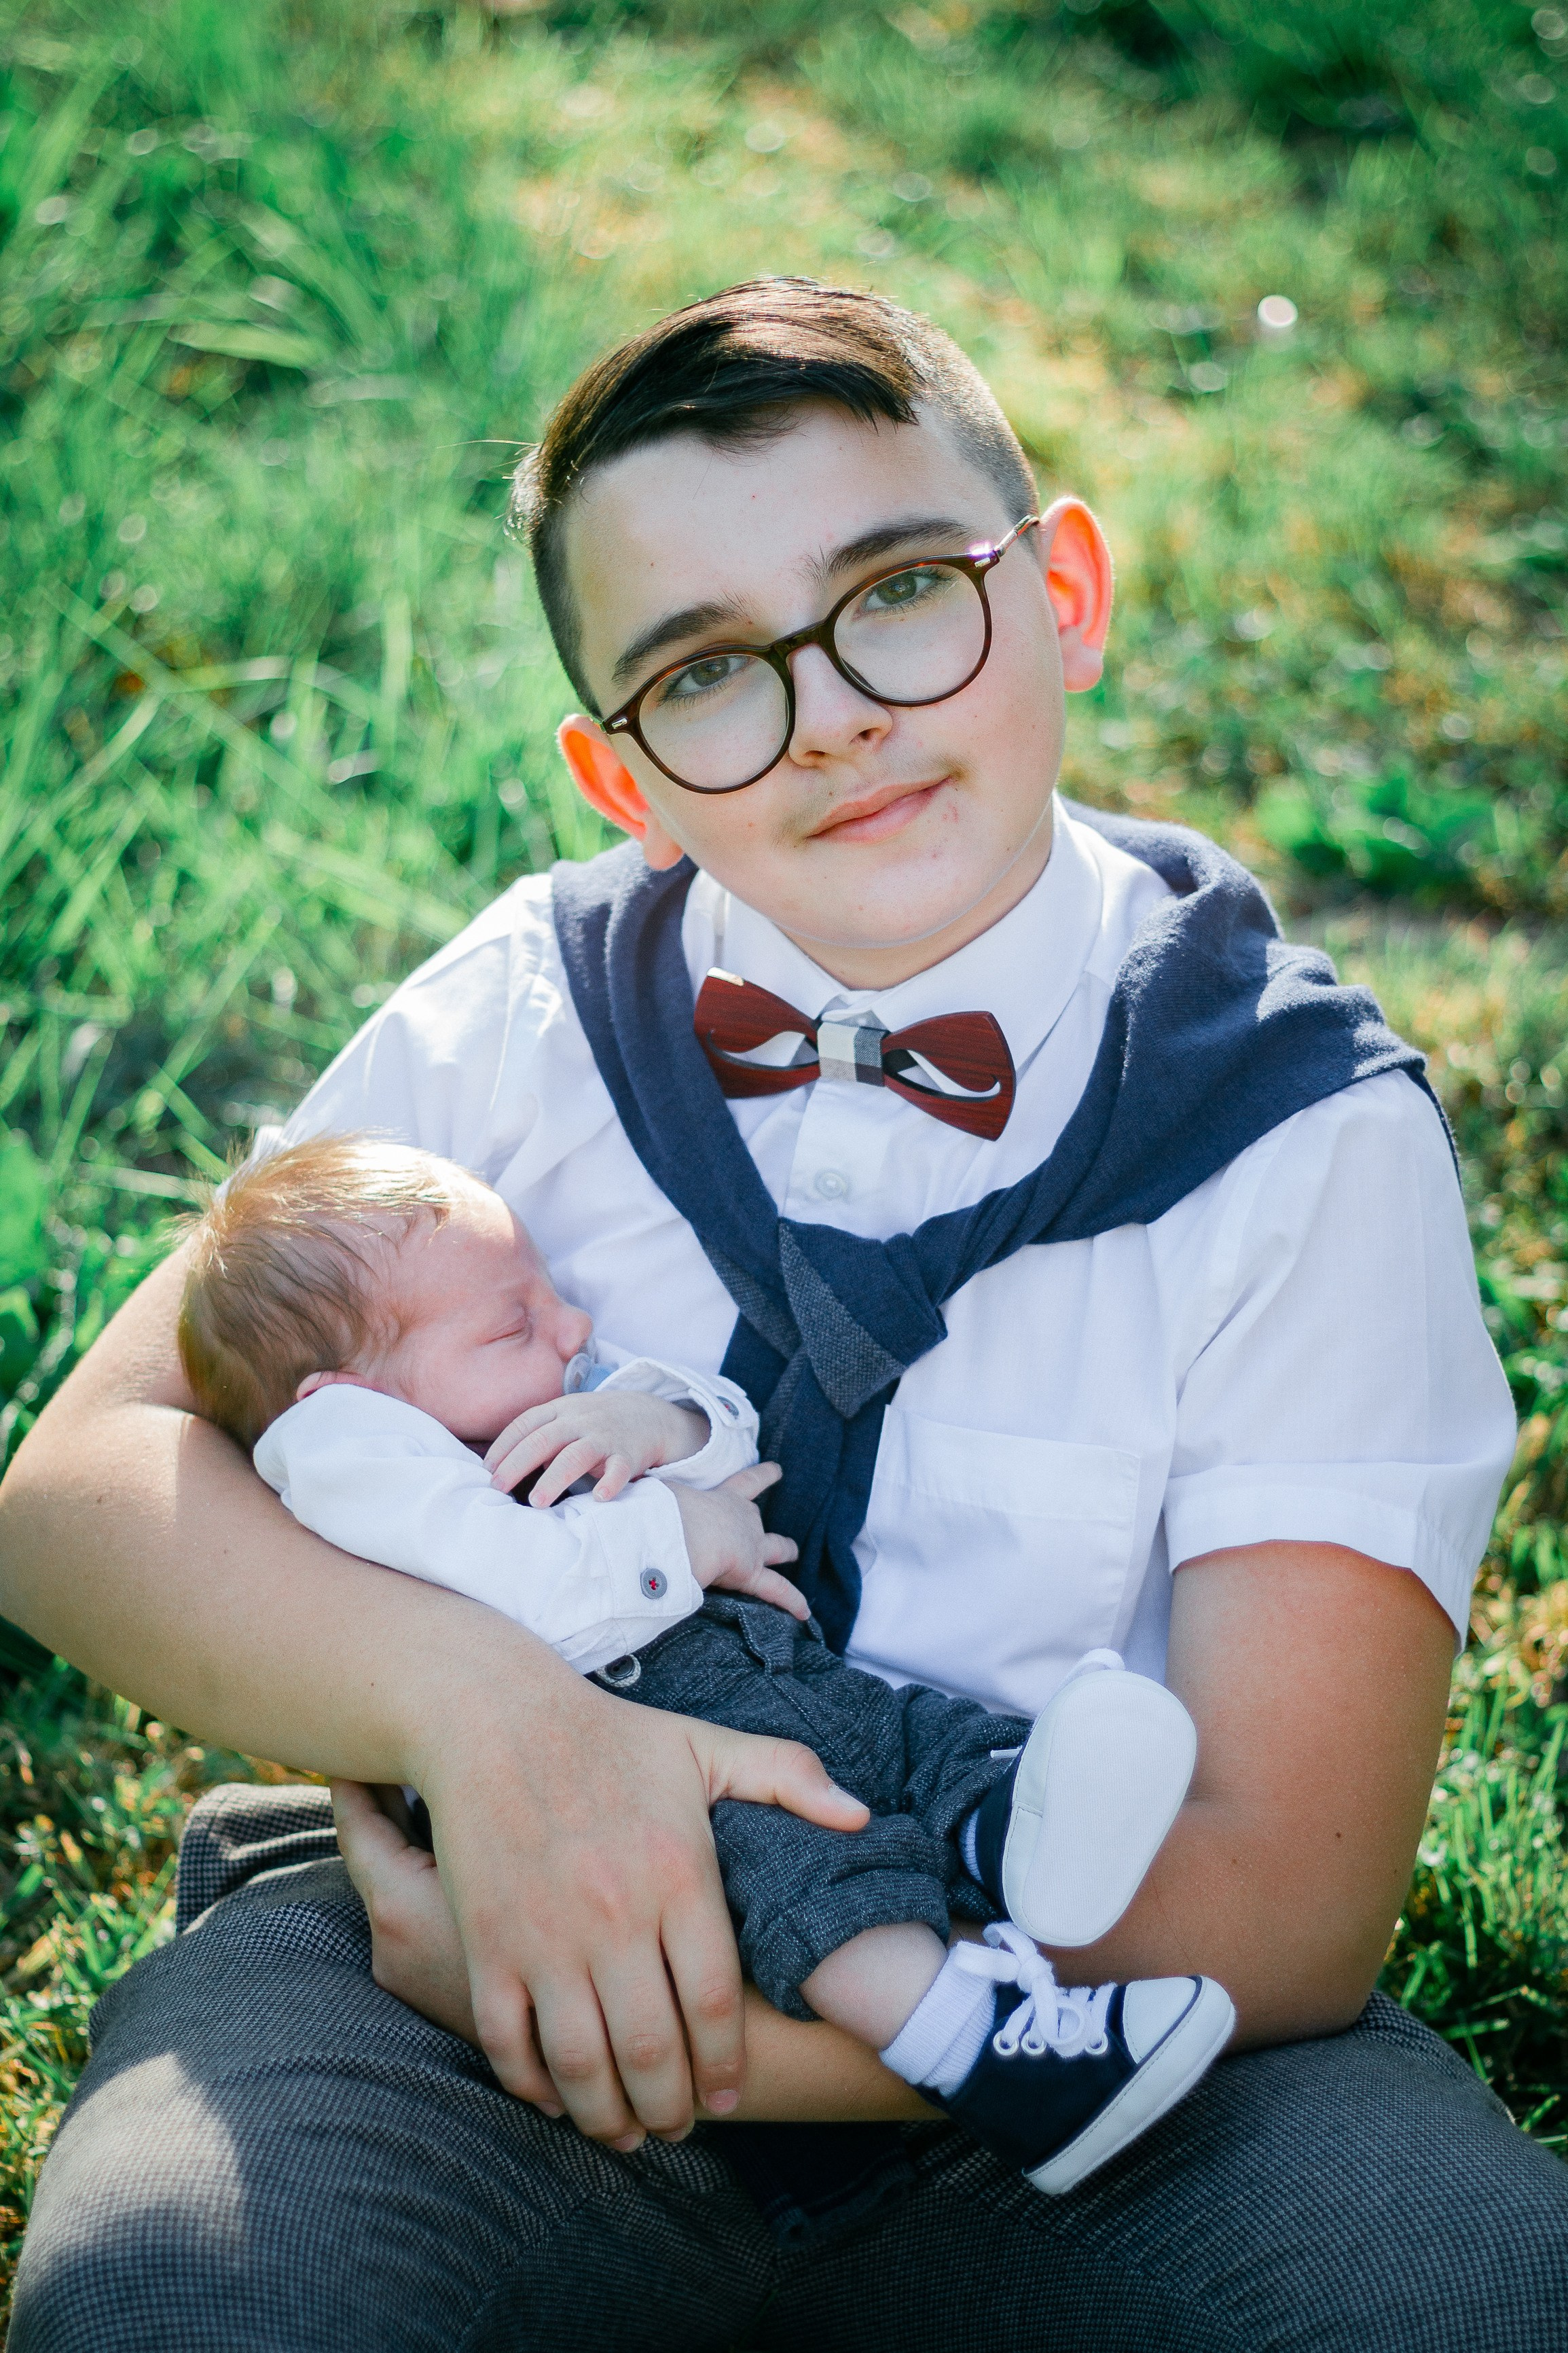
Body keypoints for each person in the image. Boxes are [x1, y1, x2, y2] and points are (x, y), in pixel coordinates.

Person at [1, 277, 1561, 2352]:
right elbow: (81, 1491)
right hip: (450, 1935)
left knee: (1465, 2298)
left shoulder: (1295, 1132)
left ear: (1064, 590)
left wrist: (699, 2032)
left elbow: (1283, 1895)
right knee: (190, 2296)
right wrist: (501, 1729)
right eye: (705, 673)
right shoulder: (529, 1009)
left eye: (901, 590)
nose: (830, 712)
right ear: (615, 774)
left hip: (1087, 2023)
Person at [177, 1130, 1226, 2197]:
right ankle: (984, 2052)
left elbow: (738, 1449)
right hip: (620, 1770)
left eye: (548, 1294)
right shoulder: (354, 1466)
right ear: (349, 1399)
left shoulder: (530, 1399)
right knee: (797, 1864)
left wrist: (658, 1421)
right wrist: (679, 1537)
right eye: (515, 1323)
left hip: (757, 1676)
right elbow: (521, 1584)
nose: (572, 1326)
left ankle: (1007, 1829)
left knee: (910, 1736)